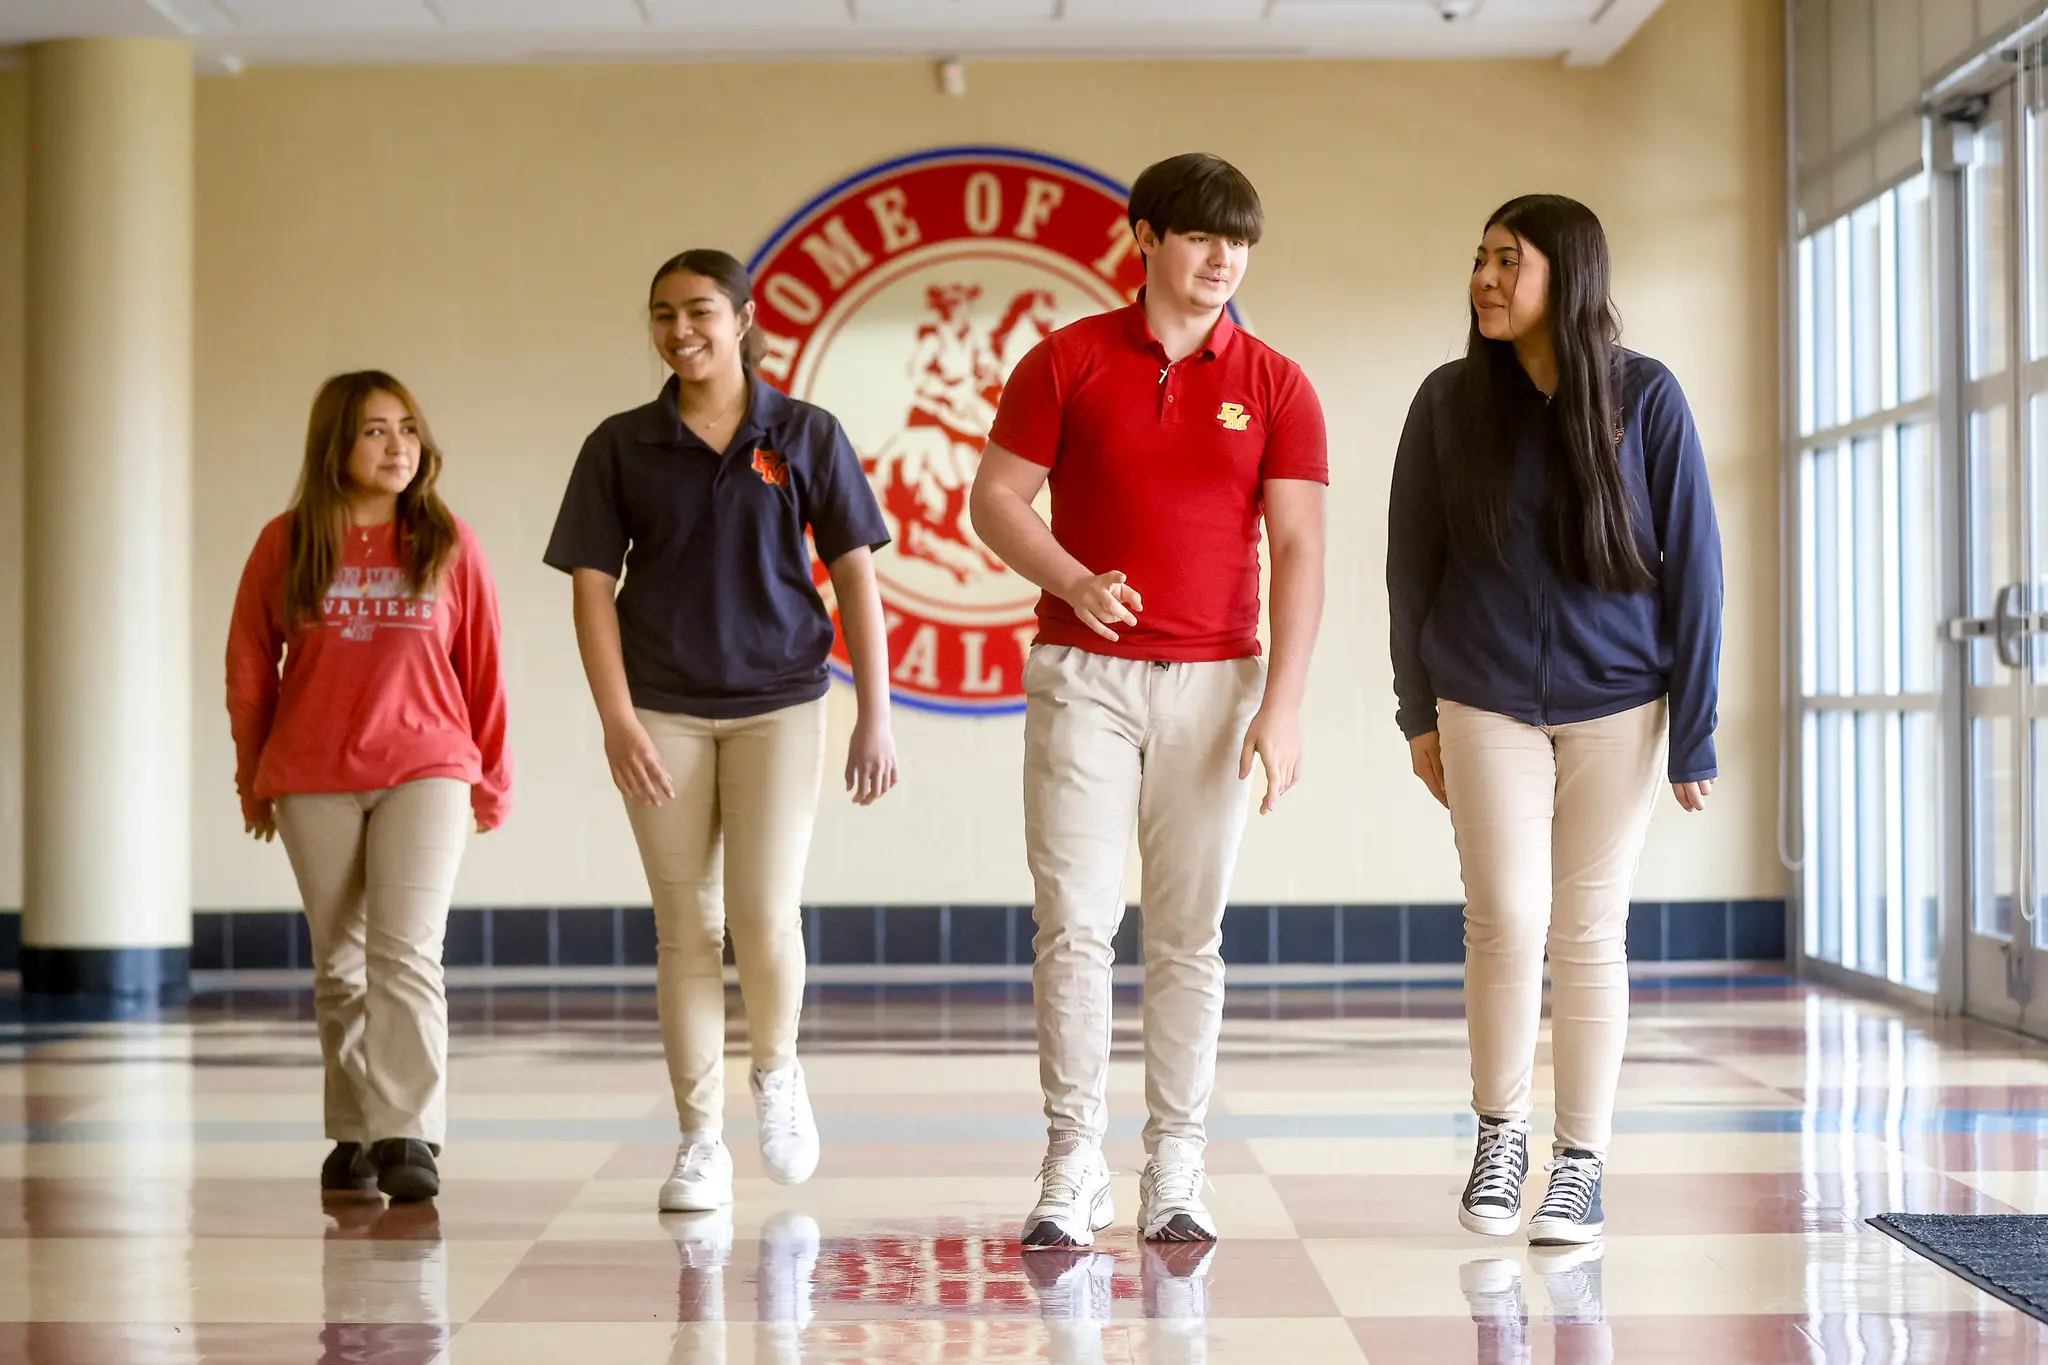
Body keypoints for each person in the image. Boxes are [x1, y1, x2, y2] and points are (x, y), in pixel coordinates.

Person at [970, 153, 1328, 1248]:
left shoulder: (1275, 382)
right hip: (1082, 676)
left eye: (1238, 242)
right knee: (1073, 924)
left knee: (1187, 935)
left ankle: (1175, 1162)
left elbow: (1301, 544)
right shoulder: (1066, 360)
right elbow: (993, 499)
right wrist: (1070, 577)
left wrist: (1284, 704)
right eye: (1199, 237)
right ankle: (1071, 1158)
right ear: (1143, 238)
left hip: (1220, 683)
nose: (1222, 260)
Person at [1386, 194, 1723, 1247]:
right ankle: (1500, 1135)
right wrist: (1414, 710)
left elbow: (1694, 569)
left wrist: (1694, 728)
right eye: (1478, 258)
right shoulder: (1446, 403)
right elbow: (1408, 568)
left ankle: (1579, 1163)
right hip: (1480, 694)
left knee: (1586, 933)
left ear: (1564, 275)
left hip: (1620, 704)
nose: (1483, 279)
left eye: (1506, 261)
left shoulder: (1644, 397)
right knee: (1503, 917)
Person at [545, 248, 898, 1214]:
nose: (680, 328)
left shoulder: (806, 433)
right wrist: (616, 718)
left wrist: (876, 711)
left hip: (781, 702)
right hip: (659, 708)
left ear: (741, 318)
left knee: (760, 911)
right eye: (663, 313)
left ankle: (776, 1075)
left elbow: (858, 576)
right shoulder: (618, 445)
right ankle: (700, 1140)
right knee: (683, 929)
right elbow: (590, 589)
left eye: (700, 309)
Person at [227, 370, 510, 1203]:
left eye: (408, 429)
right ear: (335, 446)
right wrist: (252, 780)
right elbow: (250, 674)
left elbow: (484, 668)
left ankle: (407, 1132)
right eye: (376, 431)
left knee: (407, 949)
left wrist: (493, 776)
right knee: (340, 963)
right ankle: (354, 1129)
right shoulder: (285, 543)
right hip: (311, 774)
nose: (398, 446)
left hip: (428, 766)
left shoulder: (447, 541)